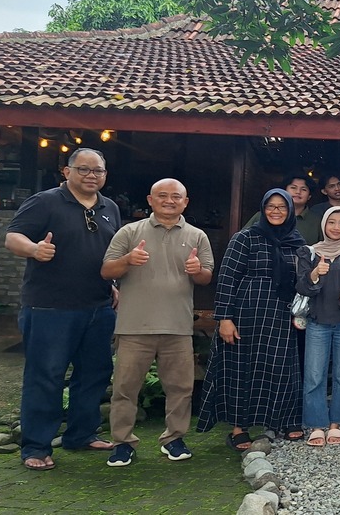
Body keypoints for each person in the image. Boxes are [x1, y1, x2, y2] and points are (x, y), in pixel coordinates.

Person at [5, 148, 121, 471]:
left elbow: (107, 253)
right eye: (83, 169)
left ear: (105, 176)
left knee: (95, 374)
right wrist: (35, 249)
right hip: (49, 308)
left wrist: (112, 286)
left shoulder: (109, 207)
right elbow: (12, 238)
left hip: (98, 307)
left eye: (97, 171)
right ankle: (36, 446)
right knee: (46, 376)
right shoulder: (45, 202)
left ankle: (81, 434)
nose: (91, 176)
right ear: (67, 172)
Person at [101, 178, 214, 466]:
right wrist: (128, 259)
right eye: (162, 195)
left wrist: (197, 270)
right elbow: (106, 270)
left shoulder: (197, 235)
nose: (169, 200)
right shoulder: (129, 232)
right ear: (150, 200)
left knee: (180, 388)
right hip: (133, 327)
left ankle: (174, 438)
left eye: (176, 196)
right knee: (125, 388)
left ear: (185, 202)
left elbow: (206, 277)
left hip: (177, 326)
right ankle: (122, 442)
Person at [197, 189, 308, 450]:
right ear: (262, 209)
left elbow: (303, 280)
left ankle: (283, 420)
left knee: (280, 367)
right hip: (246, 311)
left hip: (281, 313)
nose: (276, 211)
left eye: (282, 207)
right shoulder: (245, 238)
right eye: (271, 206)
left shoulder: (298, 243)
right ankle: (239, 427)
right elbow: (226, 279)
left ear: (291, 210)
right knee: (241, 368)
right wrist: (224, 318)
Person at [294, 207, 340, 447]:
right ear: (324, 224)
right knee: (314, 375)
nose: (336, 227)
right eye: (332, 222)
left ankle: (336, 424)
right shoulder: (309, 252)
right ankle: (316, 425)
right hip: (317, 321)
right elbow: (302, 287)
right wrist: (315, 273)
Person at [246, 174, 320, 244]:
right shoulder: (262, 216)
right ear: (283, 192)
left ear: (309, 196)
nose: (298, 192)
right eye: (293, 188)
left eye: (303, 189)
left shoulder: (317, 221)